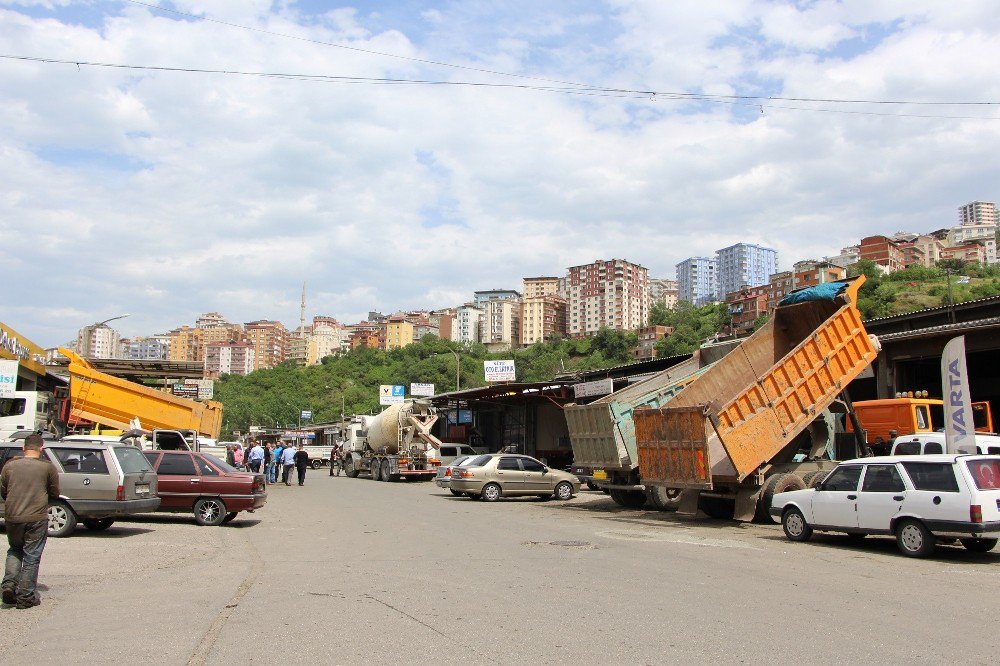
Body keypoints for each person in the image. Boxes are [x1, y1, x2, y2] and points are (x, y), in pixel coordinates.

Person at [1, 434, 59, 609]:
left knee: (15, 549)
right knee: (32, 556)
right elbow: (55, 492)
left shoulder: (9, 466)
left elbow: (3, 490)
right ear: (41, 449)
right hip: (36, 517)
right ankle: (25, 595)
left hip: (13, 516)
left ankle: (9, 585)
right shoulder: (47, 467)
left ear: (23, 448)